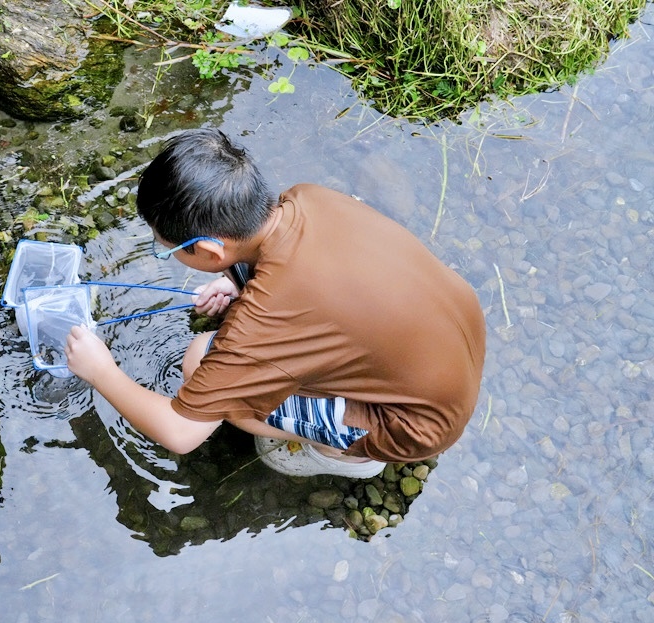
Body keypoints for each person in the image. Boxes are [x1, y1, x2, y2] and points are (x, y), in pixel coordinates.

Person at [65, 128, 486, 478]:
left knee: (198, 360)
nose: (164, 253)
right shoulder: (305, 198)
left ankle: (347, 456)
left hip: (416, 424)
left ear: (210, 251)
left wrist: (100, 371)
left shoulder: (265, 318)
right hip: (456, 343)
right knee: (235, 323)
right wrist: (239, 288)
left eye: (164, 248)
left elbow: (180, 432)